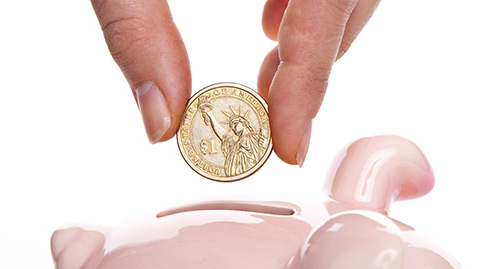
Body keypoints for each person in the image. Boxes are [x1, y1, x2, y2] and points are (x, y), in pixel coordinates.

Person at [90, 0, 380, 167]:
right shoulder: (228, 137)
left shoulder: (249, 142)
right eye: (236, 125)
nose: (236, 127)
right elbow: (217, 127)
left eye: (239, 124)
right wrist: (205, 115)